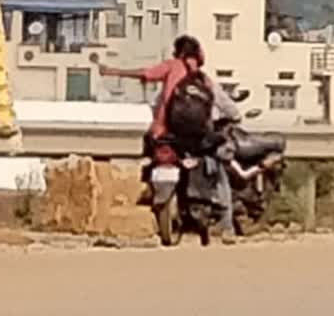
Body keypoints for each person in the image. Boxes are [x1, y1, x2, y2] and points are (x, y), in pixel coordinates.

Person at [99, 35, 240, 244]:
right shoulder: (205, 80)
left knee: (149, 156)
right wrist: (234, 117)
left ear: (178, 53)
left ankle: (147, 190)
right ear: (198, 55)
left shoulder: (171, 67)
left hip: (165, 135)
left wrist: (112, 71)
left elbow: (145, 74)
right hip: (198, 140)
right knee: (218, 170)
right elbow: (229, 108)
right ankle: (227, 226)